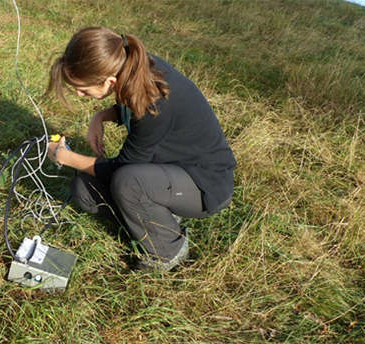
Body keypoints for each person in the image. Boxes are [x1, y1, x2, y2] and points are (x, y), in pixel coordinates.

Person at [45, 27, 236, 271]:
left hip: (205, 183)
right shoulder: (133, 67)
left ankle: (168, 253)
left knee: (128, 182)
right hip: (168, 170)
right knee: (84, 190)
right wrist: (101, 116)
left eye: (83, 89)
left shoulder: (154, 102)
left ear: (109, 81)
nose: (80, 95)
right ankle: (158, 218)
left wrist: (65, 157)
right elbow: (128, 104)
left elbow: (122, 168)